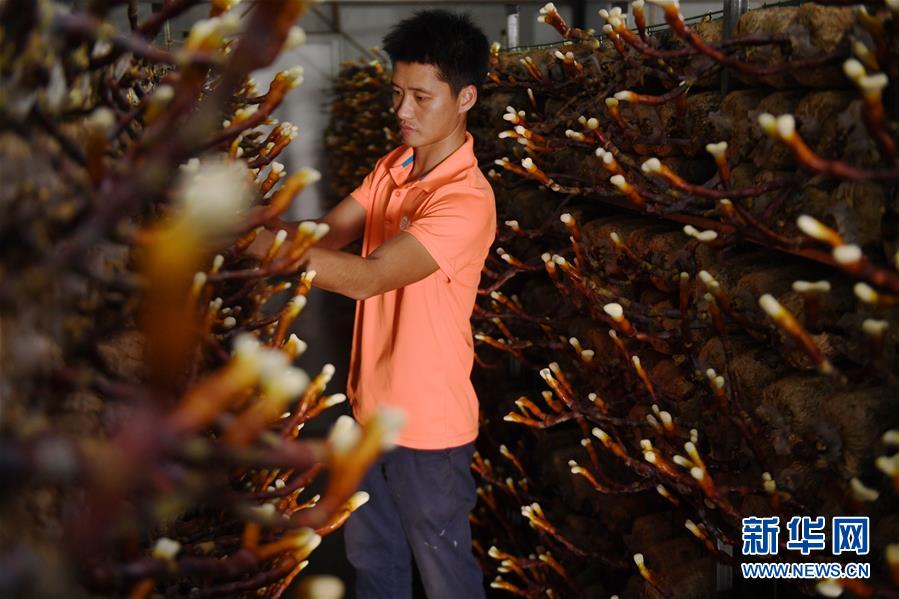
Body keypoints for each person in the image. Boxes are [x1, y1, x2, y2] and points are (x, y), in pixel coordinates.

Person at [252, 9, 494, 598]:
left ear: (465, 98)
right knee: (373, 560)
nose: (402, 111)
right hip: (370, 409)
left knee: (445, 576)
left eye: (420, 97)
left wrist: (259, 248)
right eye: (396, 93)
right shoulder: (394, 166)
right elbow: (327, 234)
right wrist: (254, 229)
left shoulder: (465, 200)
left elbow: (368, 278)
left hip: (428, 428)